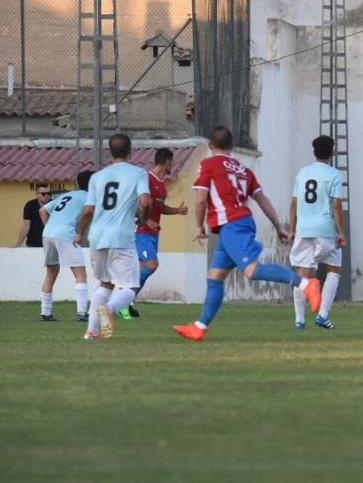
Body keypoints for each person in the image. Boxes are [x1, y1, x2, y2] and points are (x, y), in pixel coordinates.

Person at [173, 126, 322, 341]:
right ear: (232, 147)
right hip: (235, 225)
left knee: (252, 270)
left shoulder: (207, 165)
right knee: (214, 278)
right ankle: (199, 326)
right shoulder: (244, 170)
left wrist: (198, 226)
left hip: (233, 224)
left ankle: (307, 284)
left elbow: (200, 198)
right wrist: (279, 226)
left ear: (209, 146)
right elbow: (262, 200)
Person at [73, 134, 151, 340]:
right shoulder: (138, 173)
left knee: (104, 283)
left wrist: (80, 232)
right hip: (121, 237)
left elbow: (88, 210)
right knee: (130, 286)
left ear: (110, 151)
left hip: (97, 237)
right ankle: (109, 309)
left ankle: (91, 331)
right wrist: (144, 218)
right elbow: (145, 201)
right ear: (130, 150)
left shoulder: (97, 177)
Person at [119, 148, 188, 320]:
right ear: (166, 162)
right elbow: (133, 202)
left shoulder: (161, 184)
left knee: (142, 268)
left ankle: (126, 300)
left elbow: (159, 207)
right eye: (172, 162)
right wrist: (146, 221)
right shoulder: (146, 179)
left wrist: (177, 211)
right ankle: (123, 300)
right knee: (151, 265)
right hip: (141, 231)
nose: (173, 165)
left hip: (152, 234)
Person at [289, 135, 347, 329]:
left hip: (303, 229)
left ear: (314, 152)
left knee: (303, 272)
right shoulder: (335, 175)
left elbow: (294, 204)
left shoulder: (302, 173)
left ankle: (299, 319)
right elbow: (337, 205)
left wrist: (291, 230)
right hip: (325, 229)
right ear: (332, 152)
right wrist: (341, 233)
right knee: (334, 268)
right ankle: (322, 314)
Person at [37, 170, 93, 322]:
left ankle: (45, 313)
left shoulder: (66, 195)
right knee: (80, 273)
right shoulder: (89, 196)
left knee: (51, 273)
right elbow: (89, 213)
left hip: (48, 233)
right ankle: (82, 313)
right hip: (66, 234)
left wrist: (50, 227)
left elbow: (42, 210)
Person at [13, 182, 52, 247]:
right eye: (43, 194)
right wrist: (17, 245)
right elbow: (26, 225)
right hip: (33, 244)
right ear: (37, 194)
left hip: (50, 244)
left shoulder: (54, 204)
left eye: (49, 193)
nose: (46, 196)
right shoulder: (30, 205)